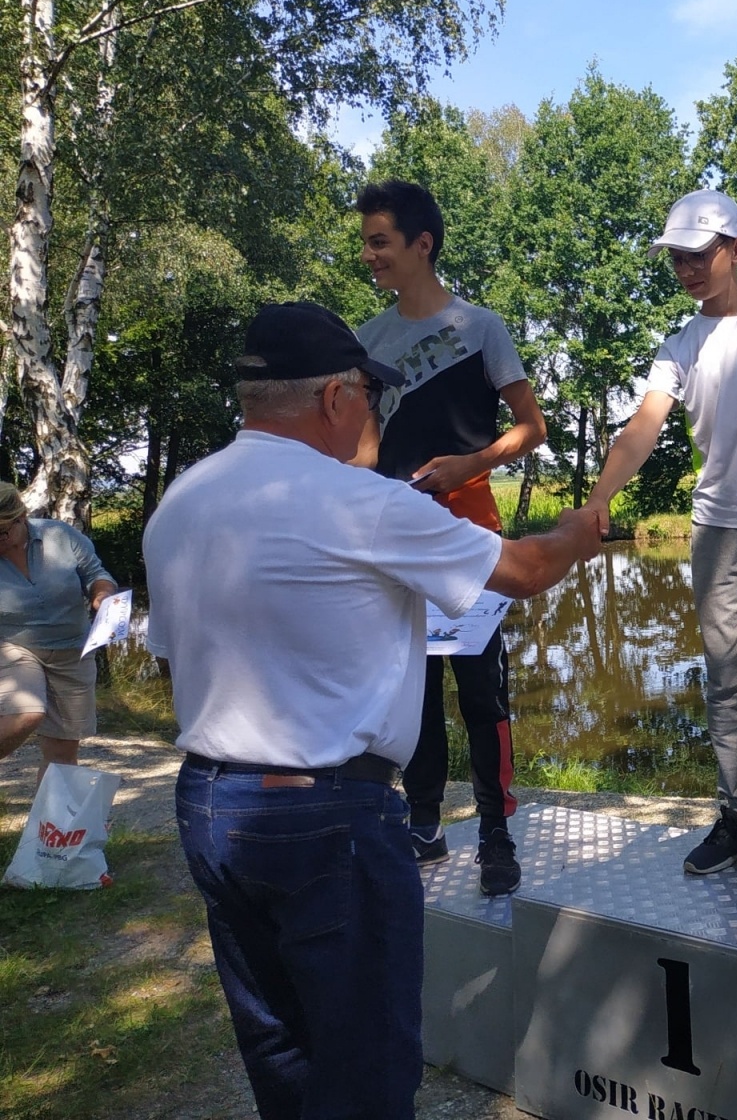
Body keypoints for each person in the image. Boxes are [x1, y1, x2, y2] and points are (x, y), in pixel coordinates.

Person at [144, 301, 600, 1120]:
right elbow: (526, 571)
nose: (376, 413)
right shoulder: (362, 503)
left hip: (210, 806)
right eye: (370, 393)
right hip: (327, 817)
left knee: (282, 1049)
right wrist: (576, 530)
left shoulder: (182, 500)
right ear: (333, 397)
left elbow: (177, 655)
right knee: (367, 1069)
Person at [581, 188, 737, 895]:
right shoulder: (680, 346)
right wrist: (602, 496)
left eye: (699, 255)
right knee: (726, 681)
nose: (687, 270)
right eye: (677, 259)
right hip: (712, 533)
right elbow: (643, 426)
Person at [353, 178, 548, 896]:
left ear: (422, 243)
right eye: (366, 243)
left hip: (472, 535)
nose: (369, 255)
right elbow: (362, 449)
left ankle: (496, 834)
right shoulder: (366, 341)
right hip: (396, 540)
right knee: (415, 694)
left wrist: (474, 463)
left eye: (379, 241)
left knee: (483, 696)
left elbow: (532, 428)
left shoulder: (481, 328)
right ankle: (425, 824)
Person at [0, 482, 118, 776]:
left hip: (73, 652)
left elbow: (97, 575)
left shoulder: (60, 535)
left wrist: (102, 596)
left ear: (21, 517)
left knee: (61, 758)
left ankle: (50, 810)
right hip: (13, 645)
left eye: (2, 532)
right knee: (25, 713)